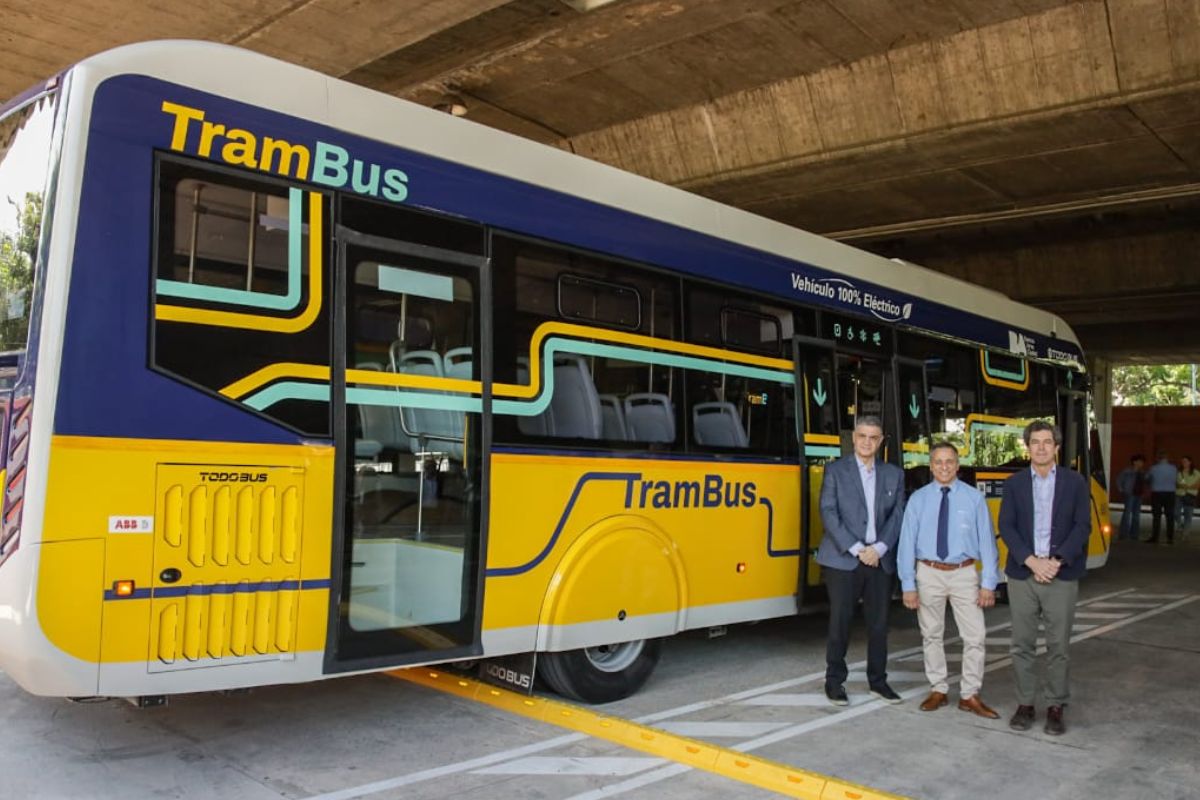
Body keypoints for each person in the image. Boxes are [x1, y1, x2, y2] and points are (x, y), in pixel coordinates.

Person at [998, 420, 1091, 736]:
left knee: (1058, 645)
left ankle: (1055, 706)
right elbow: (1007, 527)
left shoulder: (1075, 482)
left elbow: (1082, 527)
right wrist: (1031, 561)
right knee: (1021, 645)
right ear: (1027, 447)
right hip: (1023, 575)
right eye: (1034, 442)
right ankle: (1025, 704)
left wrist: (1056, 561)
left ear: (1056, 447)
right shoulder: (1014, 484)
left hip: (1060, 575)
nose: (1040, 447)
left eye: (1046, 441)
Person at [898, 442, 1001, 719]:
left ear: (958, 466)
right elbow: (906, 543)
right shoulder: (918, 499)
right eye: (938, 462)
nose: (944, 466)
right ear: (931, 466)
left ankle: (970, 694)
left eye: (950, 462)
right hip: (928, 572)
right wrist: (908, 584)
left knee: (975, 636)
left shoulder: (973, 499)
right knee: (931, 634)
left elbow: (987, 543)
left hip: (964, 573)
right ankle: (938, 689)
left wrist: (988, 583)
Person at [816, 416, 906, 706]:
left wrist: (878, 548)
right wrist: (857, 548)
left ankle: (878, 683)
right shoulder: (835, 471)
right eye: (862, 436)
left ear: (881, 442)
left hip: (879, 560)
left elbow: (898, 515)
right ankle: (834, 682)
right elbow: (828, 512)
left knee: (879, 625)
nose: (867, 442)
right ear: (853, 438)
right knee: (840, 622)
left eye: (874, 437)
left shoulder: (894, 474)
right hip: (844, 559)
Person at [1146, 450, 1178, 544]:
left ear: (1158, 458)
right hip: (1170, 493)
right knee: (1170, 516)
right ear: (1167, 458)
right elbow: (1177, 480)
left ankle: (1155, 537)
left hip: (1157, 493)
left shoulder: (1153, 468)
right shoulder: (1174, 468)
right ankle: (1170, 538)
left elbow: (1147, 478)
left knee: (1156, 516)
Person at [1115, 454, 1146, 541]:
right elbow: (1119, 480)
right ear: (1134, 462)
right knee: (1127, 514)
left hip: (1139, 494)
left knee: (1136, 515)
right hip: (1130, 494)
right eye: (1139, 461)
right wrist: (1122, 490)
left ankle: (1134, 534)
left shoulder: (1142, 472)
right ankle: (1123, 534)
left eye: (1142, 462)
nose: (1141, 464)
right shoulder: (1127, 471)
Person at [1177, 456, 1199, 540]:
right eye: (1182, 461)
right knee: (1175, 512)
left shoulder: (1196, 473)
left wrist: (1186, 487)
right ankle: (1181, 525)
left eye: (1185, 461)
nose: (1183, 463)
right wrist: (1187, 487)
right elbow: (1178, 484)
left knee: (1188, 515)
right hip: (1179, 495)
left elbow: (1197, 485)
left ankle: (1185, 533)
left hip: (1190, 495)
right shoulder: (1179, 472)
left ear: (1190, 462)